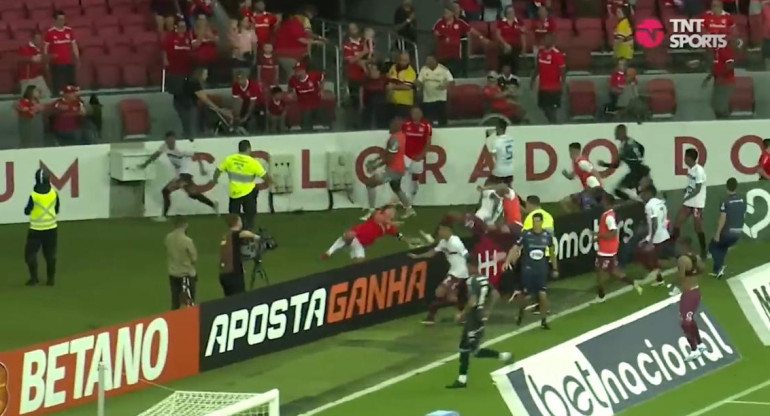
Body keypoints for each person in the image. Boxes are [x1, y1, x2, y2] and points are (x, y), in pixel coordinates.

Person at [445, 257, 513, 389]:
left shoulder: (472, 280)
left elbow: (473, 301)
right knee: (464, 347)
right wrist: (488, 309)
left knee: (474, 350)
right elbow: (495, 294)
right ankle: (462, 379)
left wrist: (461, 314)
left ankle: (504, 356)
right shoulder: (483, 278)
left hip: (474, 318)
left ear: (470, 266)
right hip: (475, 317)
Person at [139, 131, 218, 221]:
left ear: (175, 139)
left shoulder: (180, 149)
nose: (171, 142)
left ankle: (163, 216)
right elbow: (156, 155)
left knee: (166, 191)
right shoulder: (164, 146)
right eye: (169, 140)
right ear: (166, 140)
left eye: (172, 140)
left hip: (185, 174)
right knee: (192, 194)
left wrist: (202, 169)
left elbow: (197, 155)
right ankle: (213, 204)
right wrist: (145, 164)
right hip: (180, 174)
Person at [503, 212, 557, 329]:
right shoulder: (526, 235)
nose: (535, 224)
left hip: (541, 270)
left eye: (537, 221)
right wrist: (507, 261)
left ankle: (544, 320)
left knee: (543, 295)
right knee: (526, 296)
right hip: (528, 270)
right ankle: (520, 314)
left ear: (541, 222)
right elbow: (515, 248)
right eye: (534, 221)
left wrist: (555, 267)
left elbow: (552, 252)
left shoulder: (547, 236)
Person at [410, 222, 470, 325]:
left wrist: (471, 269)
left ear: (448, 230)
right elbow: (432, 253)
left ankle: (432, 317)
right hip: (453, 271)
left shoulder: (455, 242)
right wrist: (417, 257)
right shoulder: (443, 242)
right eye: (439, 230)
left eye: (442, 230)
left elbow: (467, 255)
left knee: (441, 292)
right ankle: (462, 315)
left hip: (459, 273)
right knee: (448, 296)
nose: (440, 232)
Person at [211, 140, 274, 230]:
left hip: (234, 192)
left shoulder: (230, 159)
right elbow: (265, 176)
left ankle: (235, 233)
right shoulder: (253, 162)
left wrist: (214, 180)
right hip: (248, 192)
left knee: (234, 216)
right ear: (248, 148)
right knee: (250, 215)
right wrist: (272, 182)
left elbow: (218, 170)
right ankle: (247, 232)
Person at [594, 193, 643, 303]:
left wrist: (599, 236)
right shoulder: (608, 214)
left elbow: (613, 233)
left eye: (603, 200)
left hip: (606, 250)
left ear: (607, 202)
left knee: (603, 271)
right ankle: (633, 283)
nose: (601, 201)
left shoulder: (609, 217)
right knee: (610, 270)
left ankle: (601, 296)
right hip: (607, 248)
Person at [363, 119, 415, 219]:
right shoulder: (401, 136)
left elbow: (390, 158)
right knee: (396, 188)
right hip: (400, 169)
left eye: (392, 125)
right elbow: (388, 152)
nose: (389, 127)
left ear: (397, 126)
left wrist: (376, 165)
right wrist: (376, 160)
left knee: (370, 184)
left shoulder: (394, 139)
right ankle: (409, 209)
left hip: (393, 170)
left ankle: (372, 212)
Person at [322, 205, 408, 262]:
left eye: (393, 212)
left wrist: (404, 238)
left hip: (362, 244)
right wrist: (392, 223)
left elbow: (396, 234)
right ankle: (329, 252)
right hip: (357, 234)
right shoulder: (377, 214)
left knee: (360, 262)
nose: (391, 213)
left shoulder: (389, 227)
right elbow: (379, 219)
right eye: (390, 211)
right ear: (384, 211)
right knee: (349, 235)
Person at [672, 237, 708, 362]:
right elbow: (702, 269)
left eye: (678, 246)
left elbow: (681, 277)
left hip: (688, 294)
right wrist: (693, 273)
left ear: (683, 246)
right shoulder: (695, 257)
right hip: (696, 291)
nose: (676, 248)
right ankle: (700, 344)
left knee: (684, 322)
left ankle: (694, 350)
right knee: (689, 319)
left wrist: (675, 287)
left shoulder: (682, 259)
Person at [173, 67, 232, 140]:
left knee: (189, 125)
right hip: (186, 105)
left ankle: (190, 136)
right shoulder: (194, 83)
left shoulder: (191, 81)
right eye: (205, 74)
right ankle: (191, 138)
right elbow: (204, 99)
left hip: (182, 104)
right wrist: (219, 110)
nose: (207, 76)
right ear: (200, 74)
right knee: (191, 126)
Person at [24, 169, 59, 287]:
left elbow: (27, 211)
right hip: (51, 229)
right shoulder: (54, 193)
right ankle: (51, 280)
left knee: (30, 255)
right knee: (50, 255)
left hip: (35, 230)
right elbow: (57, 209)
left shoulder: (34, 195)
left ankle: (34, 279)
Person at [671, 148, 708, 258]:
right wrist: (686, 190)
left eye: (685, 157)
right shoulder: (691, 170)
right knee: (677, 223)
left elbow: (698, 188)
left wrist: (686, 197)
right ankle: (673, 249)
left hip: (697, 204)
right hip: (689, 202)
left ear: (689, 158)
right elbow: (692, 185)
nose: (684, 159)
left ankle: (703, 250)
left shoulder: (699, 170)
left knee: (698, 227)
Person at [598, 124, 651, 201]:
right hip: (641, 169)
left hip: (636, 171)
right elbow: (642, 148)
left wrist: (604, 164)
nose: (615, 134)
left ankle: (638, 201)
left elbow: (617, 164)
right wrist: (639, 159)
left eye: (617, 132)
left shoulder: (625, 146)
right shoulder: (631, 141)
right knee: (626, 189)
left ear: (622, 133)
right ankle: (637, 201)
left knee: (619, 189)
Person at [637, 185, 677, 286]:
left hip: (657, 237)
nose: (641, 196)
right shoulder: (661, 203)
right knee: (651, 257)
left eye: (643, 193)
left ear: (649, 193)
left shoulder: (649, 205)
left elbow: (654, 222)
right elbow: (666, 219)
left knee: (643, 255)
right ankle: (658, 278)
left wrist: (650, 239)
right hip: (663, 234)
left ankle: (655, 274)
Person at [709, 178, 746, 279]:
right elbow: (744, 215)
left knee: (712, 247)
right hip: (738, 232)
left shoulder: (725, 201)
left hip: (728, 232)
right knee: (722, 247)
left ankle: (719, 267)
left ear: (727, 187)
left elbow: (722, 218)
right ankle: (717, 270)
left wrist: (717, 233)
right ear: (736, 186)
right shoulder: (742, 199)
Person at [219, 214, 261, 296]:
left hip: (224, 274)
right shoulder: (235, 235)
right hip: (233, 275)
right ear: (237, 222)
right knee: (239, 300)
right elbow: (244, 233)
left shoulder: (226, 236)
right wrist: (257, 237)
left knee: (229, 300)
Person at [530, 33, 565, 124]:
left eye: (547, 40)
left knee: (552, 108)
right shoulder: (540, 52)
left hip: (554, 87)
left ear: (552, 41)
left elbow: (562, 71)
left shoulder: (557, 54)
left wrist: (562, 85)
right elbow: (538, 68)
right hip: (542, 86)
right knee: (544, 107)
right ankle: (552, 123)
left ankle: (554, 124)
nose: (545, 41)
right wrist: (532, 80)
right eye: (544, 40)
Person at [165, 216, 198, 310]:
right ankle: (189, 322)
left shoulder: (168, 237)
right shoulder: (187, 241)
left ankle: (174, 321)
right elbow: (194, 258)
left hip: (173, 273)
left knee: (175, 302)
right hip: (186, 274)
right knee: (189, 302)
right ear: (185, 225)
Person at [401, 107, 432, 204]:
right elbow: (400, 138)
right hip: (405, 155)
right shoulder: (405, 124)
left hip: (418, 156)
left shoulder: (426, 125)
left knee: (415, 176)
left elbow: (428, 141)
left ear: (421, 113)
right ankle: (404, 198)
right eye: (414, 112)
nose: (415, 114)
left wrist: (422, 154)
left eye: (418, 112)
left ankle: (413, 195)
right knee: (403, 176)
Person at [560, 142, 603, 212]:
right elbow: (571, 176)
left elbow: (595, 172)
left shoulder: (581, 162)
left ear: (576, 151)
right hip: (587, 190)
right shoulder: (576, 163)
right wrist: (566, 174)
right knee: (566, 202)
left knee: (585, 206)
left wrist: (599, 188)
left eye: (570, 151)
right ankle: (576, 218)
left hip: (592, 190)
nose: (570, 154)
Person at [44, 11, 79, 97]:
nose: (62, 21)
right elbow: (46, 48)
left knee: (71, 83)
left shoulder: (69, 30)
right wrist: (46, 60)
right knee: (57, 83)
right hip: (56, 63)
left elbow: (74, 45)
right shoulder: (50, 32)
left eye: (63, 19)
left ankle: (72, 100)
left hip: (69, 62)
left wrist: (77, 58)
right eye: (60, 19)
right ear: (55, 20)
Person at [702, 38, 736, 119]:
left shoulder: (724, 50)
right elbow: (716, 67)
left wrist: (720, 75)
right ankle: (719, 122)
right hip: (718, 82)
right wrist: (709, 77)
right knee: (715, 105)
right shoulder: (715, 53)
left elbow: (730, 65)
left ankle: (725, 124)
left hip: (725, 82)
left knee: (721, 106)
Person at [287, 61, 326, 131]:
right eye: (295, 71)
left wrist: (322, 90)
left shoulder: (313, 76)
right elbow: (290, 87)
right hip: (302, 103)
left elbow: (322, 78)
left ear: (304, 70)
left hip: (315, 100)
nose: (296, 72)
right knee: (306, 115)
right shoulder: (293, 79)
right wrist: (291, 93)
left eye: (298, 71)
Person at [417, 56, 453, 127]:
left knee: (442, 117)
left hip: (440, 98)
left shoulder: (443, 69)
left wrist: (445, 86)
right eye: (427, 61)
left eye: (430, 61)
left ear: (435, 61)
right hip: (428, 99)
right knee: (428, 118)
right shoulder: (423, 69)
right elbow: (420, 81)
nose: (428, 62)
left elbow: (451, 81)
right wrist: (417, 85)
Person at [163, 18, 193, 96]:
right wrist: (165, 59)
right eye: (181, 27)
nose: (182, 29)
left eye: (184, 27)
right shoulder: (171, 37)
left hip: (186, 69)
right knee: (175, 91)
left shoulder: (188, 37)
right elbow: (164, 49)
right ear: (177, 27)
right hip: (174, 70)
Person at [494, 6, 526, 74]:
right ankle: (502, 74)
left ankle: (513, 74)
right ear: (506, 13)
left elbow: (522, 35)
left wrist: (524, 47)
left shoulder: (519, 22)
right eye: (509, 12)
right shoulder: (501, 22)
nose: (511, 14)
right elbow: (498, 35)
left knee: (512, 53)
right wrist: (505, 44)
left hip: (516, 45)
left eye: (512, 12)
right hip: (504, 45)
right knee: (506, 51)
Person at [19, 31, 50, 99]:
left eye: (40, 39)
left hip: (38, 77)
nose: (39, 41)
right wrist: (32, 58)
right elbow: (21, 59)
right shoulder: (24, 48)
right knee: (28, 98)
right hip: (28, 78)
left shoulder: (40, 49)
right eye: (37, 39)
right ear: (32, 39)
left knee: (46, 95)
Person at [387, 52, 418, 120]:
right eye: (401, 60)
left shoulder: (411, 72)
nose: (403, 62)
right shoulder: (393, 67)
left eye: (405, 60)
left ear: (409, 61)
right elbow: (390, 79)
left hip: (405, 103)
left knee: (403, 122)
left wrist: (393, 87)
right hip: (392, 101)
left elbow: (407, 87)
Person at [485, 119, 514, 186]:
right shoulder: (510, 139)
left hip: (499, 171)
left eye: (496, 128)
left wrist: (488, 137)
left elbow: (491, 154)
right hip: (510, 170)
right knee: (508, 190)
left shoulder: (497, 141)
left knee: (490, 186)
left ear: (500, 129)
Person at [360, 62, 389, 129]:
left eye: (373, 69)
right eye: (371, 69)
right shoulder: (366, 78)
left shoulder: (384, 78)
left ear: (378, 70)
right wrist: (361, 103)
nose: (371, 71)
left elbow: (388, 89)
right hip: (368, 101)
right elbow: (361, 90)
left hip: (380, 102)